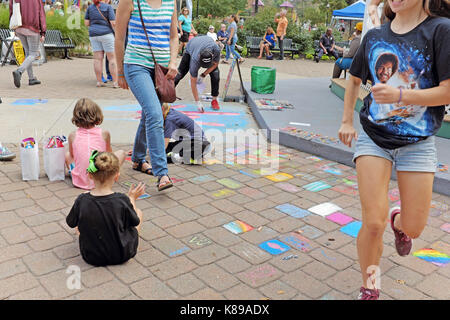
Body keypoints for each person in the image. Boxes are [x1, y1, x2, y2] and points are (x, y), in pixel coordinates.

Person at [338, 0, 450, 300]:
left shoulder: (441, 30)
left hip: (418, 143)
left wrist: (401, 94)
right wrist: (347, 120)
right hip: (374, 138)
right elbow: (354, 78)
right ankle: (370, 286)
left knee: (414, 227)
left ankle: (399, 224)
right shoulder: (375, 36)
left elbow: (448, 89)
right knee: (372, 222)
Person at [115, 0, 178, 191]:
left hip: (161, 70)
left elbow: (174, 36)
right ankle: (162, 173)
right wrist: (119, 72)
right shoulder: (131, 1)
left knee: (148, 114)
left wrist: (173, 62)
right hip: (136, 65)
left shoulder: (170, 1)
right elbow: (119, 36)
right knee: (155, 113)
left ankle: (137, 159)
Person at [66, 151, 145, 267]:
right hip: (123, 254)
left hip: (91, 257)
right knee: (138, 213)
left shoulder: (82, 200)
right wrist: (132, 198)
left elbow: (70, 222)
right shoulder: (122, 200)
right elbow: (135, 221)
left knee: (79, 225)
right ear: (117, 176)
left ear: (90, 175)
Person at [65, 98, 126, 190]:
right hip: (102, 178)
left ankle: (77, 173)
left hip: (79, 182)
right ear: (97, 114)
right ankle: (113, 175)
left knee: (67, 155)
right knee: (121, 153)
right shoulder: (104, 134)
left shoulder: (72, 135)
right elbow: (110, 155)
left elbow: (72, 156)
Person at [174, 35, 221, 111]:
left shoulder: (216, 50)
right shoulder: (195, 59)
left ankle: (214, 100)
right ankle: (165, 96)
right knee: (180, 74)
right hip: (190, 47)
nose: (204, 67)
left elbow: (215, 64)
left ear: (212, 56)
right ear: (199, 57)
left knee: (216, 75)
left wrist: (203, 75)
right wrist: (197, 102)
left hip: (205, 42)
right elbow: (193, 82)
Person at [10, 0, 46, 88]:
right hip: (32, 28)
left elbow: (11, 11)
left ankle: (31, 78)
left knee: (28, 53)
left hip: (19, 27)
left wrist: (14, 27)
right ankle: (19, 71)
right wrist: (43, 32)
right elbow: (41, 14)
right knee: (33, 53)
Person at [85, 0, 119, 88]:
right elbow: (113, 23)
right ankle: (115, 82)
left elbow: (86, 23)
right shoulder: (108, 7)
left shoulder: (90, 8)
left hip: (94, 35)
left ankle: (99, 81)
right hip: (106, 34)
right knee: (112, 58)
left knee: (97, 59)